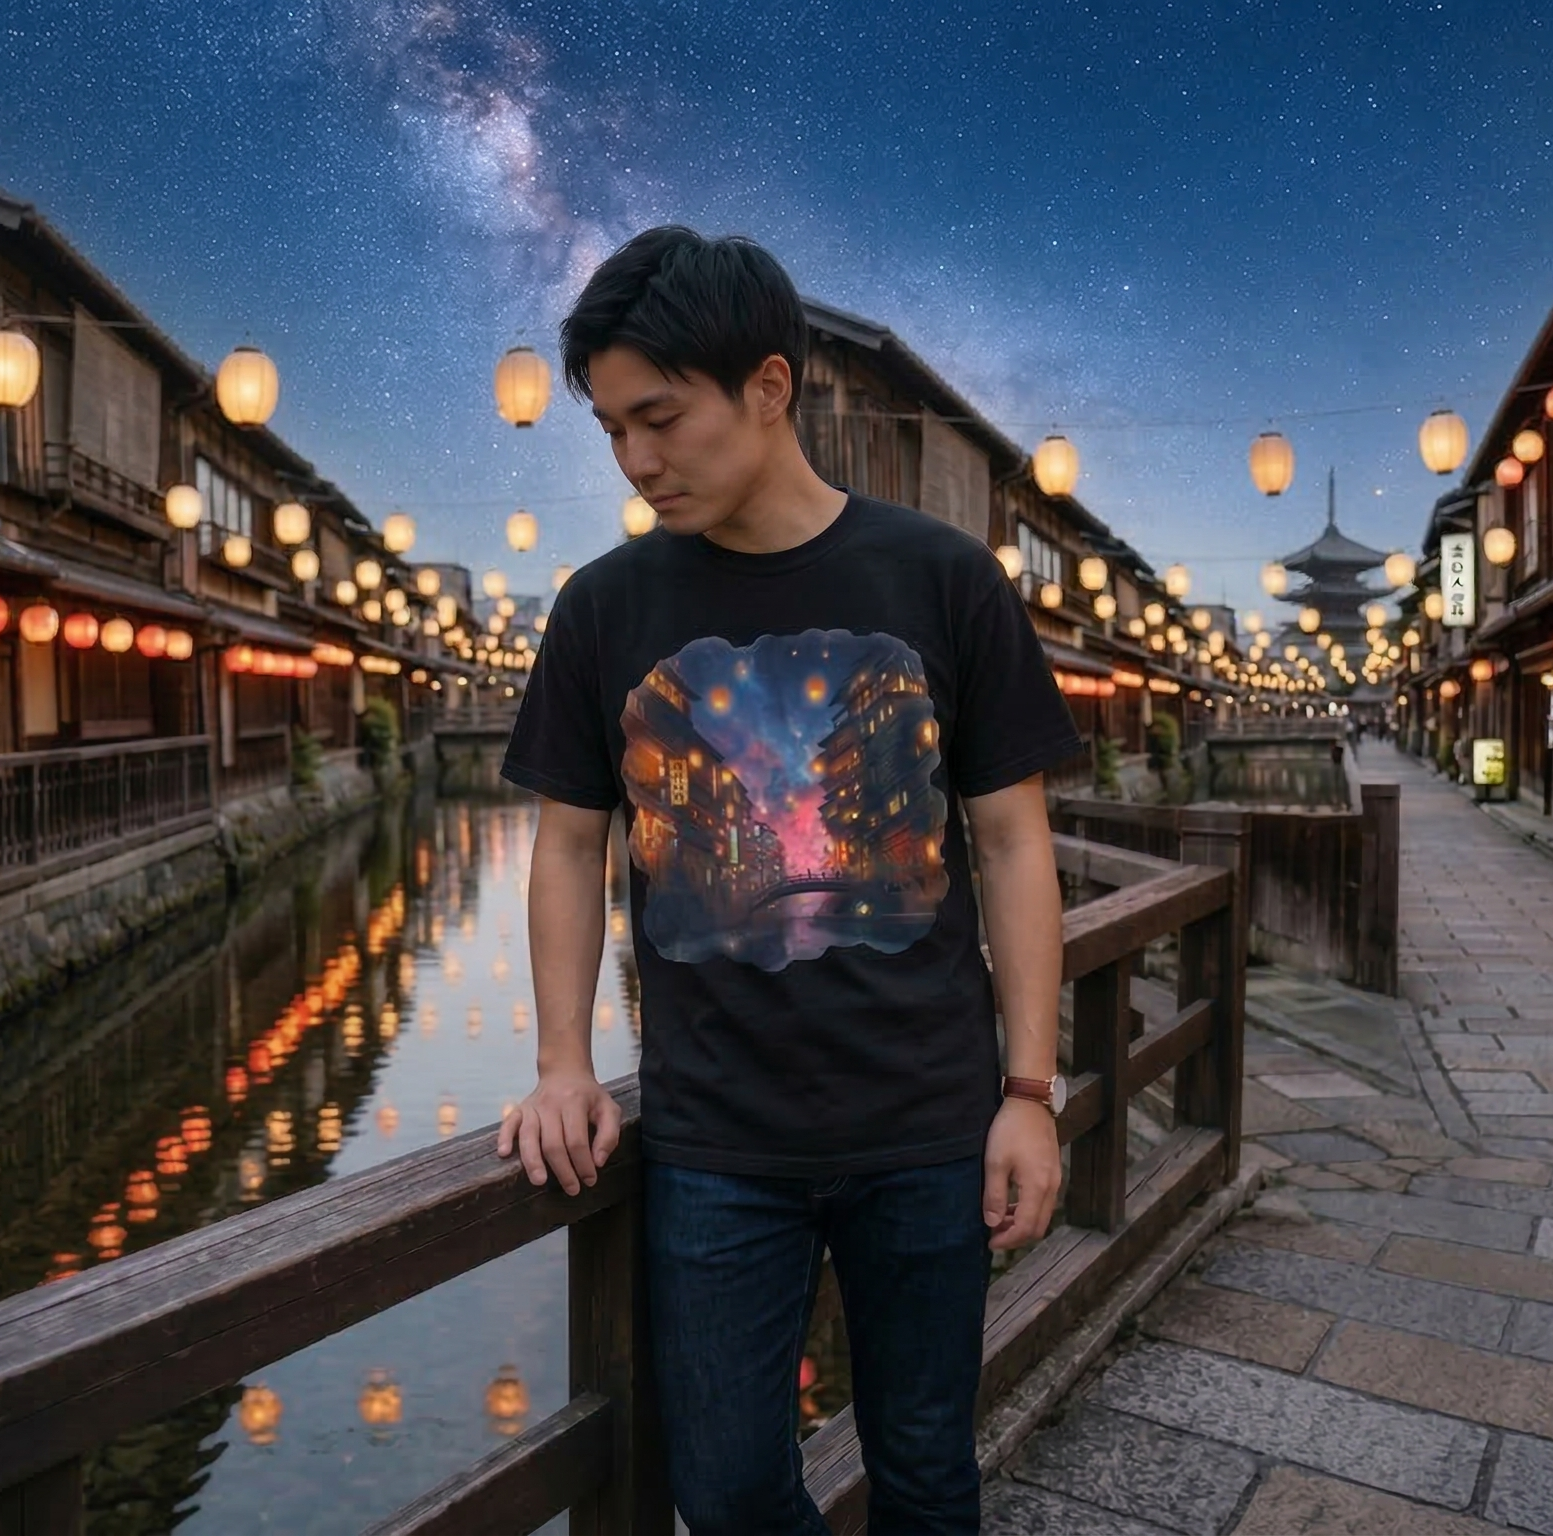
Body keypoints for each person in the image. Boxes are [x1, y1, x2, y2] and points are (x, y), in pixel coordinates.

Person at [496, 225, 1082, 1535]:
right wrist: (559, 1062)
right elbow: (566, 843)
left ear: (768, 387)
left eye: (660, 417)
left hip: (929, 1119)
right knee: (723, 1487)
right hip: (713, 1138)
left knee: (927, 1466)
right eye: (610, 432)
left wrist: (1030, 1091)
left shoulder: (940, 578)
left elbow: (1011, 842)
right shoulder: (602, 606)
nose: (638, 461)